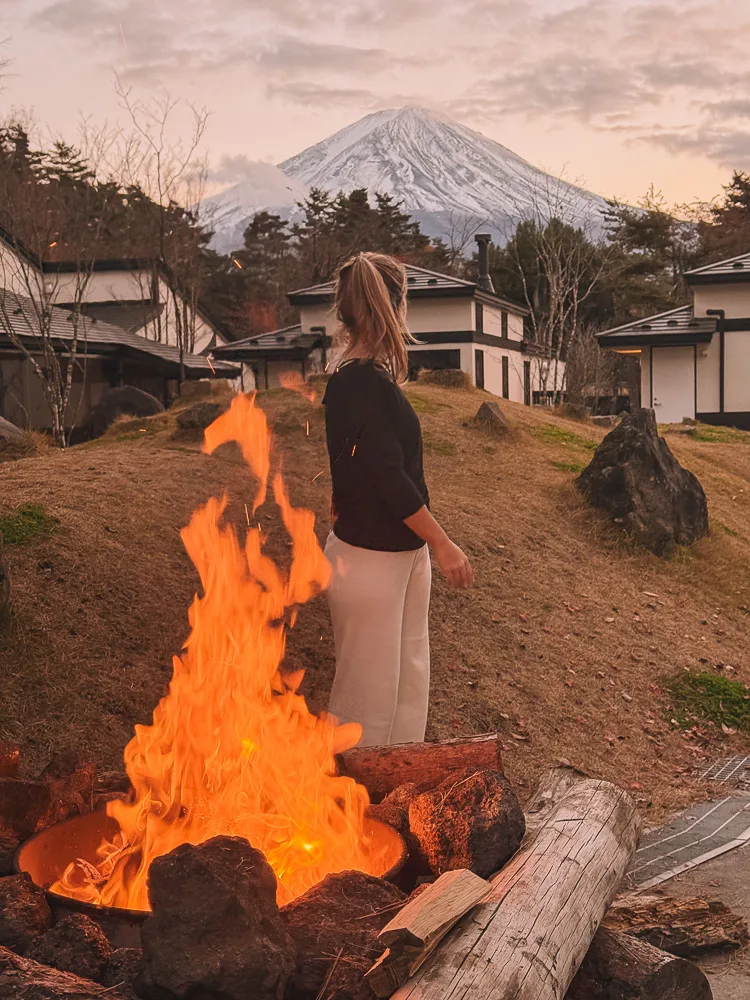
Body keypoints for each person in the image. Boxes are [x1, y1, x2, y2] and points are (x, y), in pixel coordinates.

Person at [322, 251, 474, 748]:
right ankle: (344, 816)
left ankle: (399, 802)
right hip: (369, 560)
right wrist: (445, 545)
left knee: (407, 690)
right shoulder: (358, 383)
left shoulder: (369, 380)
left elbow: (361, 463)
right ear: (393, 305)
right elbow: (391, 480)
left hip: (401, 557)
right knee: (365, 705)